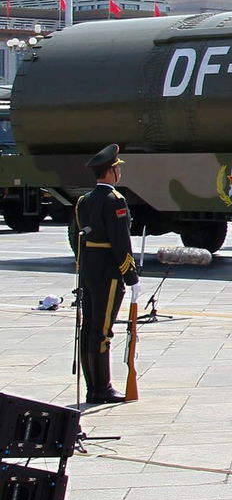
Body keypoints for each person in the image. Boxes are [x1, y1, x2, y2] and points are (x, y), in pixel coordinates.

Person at [72, 144, 139, 404]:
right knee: (103, 331)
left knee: (89, 327)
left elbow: (81, 239)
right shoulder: (115, 201)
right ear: (110, 172)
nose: (118, 172)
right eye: (117, 168)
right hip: (109, 271)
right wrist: (130, 276)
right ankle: (103, 388)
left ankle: (93, 387)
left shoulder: (83, 201)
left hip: (89, 268)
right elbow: (121, 242)